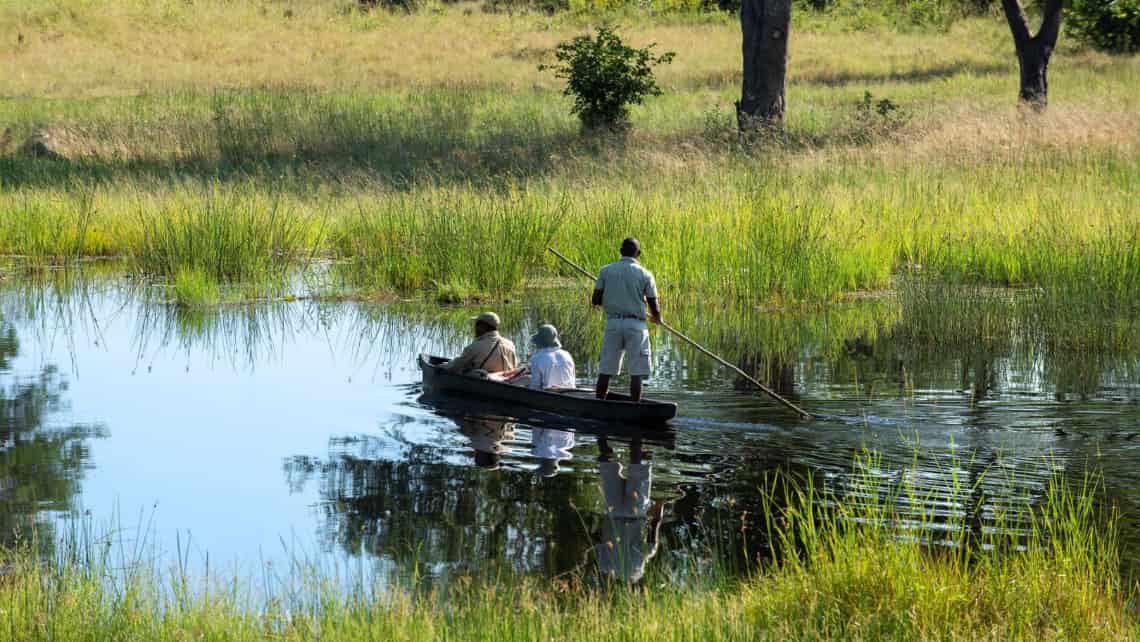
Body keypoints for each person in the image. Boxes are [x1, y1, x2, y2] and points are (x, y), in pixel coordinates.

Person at [592, 237, 662, 402]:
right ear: (639, 253)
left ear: (621, 251)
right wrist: (657, 318)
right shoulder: (645, 274)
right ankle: (635, 406)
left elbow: (595, 300)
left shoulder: (606, 271)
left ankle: (599, 404)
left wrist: (612, 299)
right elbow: (653, 302)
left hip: (613, 324)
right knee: (636, 371)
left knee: (606, 369)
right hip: (636, 325)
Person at [441, 312, 518, 375]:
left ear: (482, 327)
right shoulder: (510, 344)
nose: (475, 327)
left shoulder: (474, 347)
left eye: (477, 324)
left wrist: (442, 366)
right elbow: (515, 365)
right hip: (507, 381)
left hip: (485, 384)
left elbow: (455, 366)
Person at [528, 324, 577, 391]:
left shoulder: (537, 358)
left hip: (550, 396)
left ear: (540, 342)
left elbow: (534, 387)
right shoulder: (567, 354)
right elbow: (573, 379)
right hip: (571, 393)